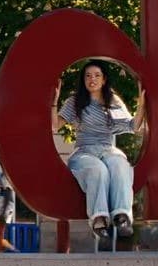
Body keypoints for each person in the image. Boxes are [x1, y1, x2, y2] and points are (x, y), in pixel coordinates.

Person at [52, 59, 146, 240]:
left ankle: (122, 216)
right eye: (88, 76)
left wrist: (141, 105)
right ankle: (99, 219)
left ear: (104, 80)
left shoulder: (113, 101)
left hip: (108, 149)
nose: (92, 79)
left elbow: (132, 126)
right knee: (98, 171)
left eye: (96, 75)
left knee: (120, 165)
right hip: (84, 152)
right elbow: (55, 125)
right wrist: (53, 103)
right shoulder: (75, 101)